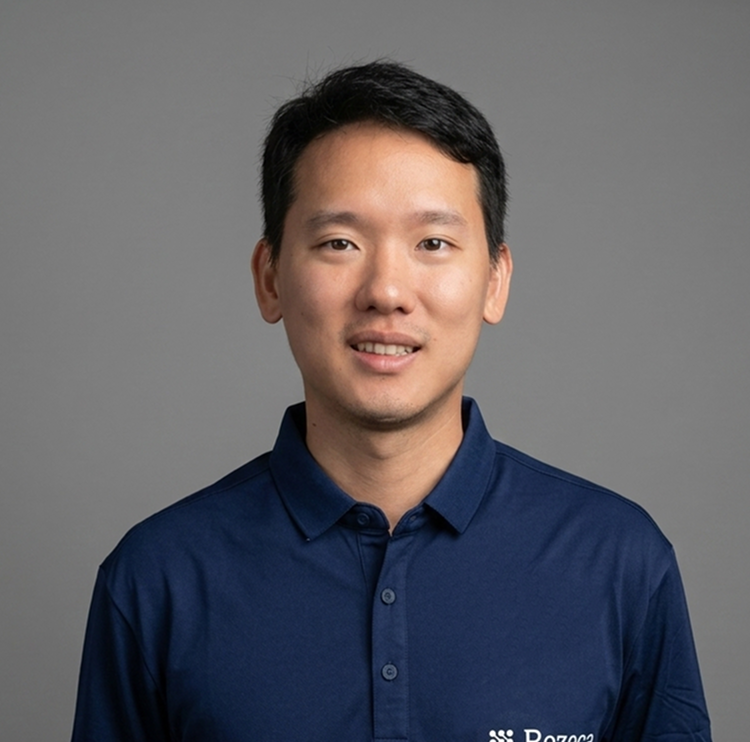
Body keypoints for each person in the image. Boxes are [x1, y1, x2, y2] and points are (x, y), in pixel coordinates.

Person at [71, 61, 712, 741]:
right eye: (339, 242)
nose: (386, 290)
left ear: (495, 281)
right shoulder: (156, 580)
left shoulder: (617, 562)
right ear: (270, 279)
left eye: (433, 243)